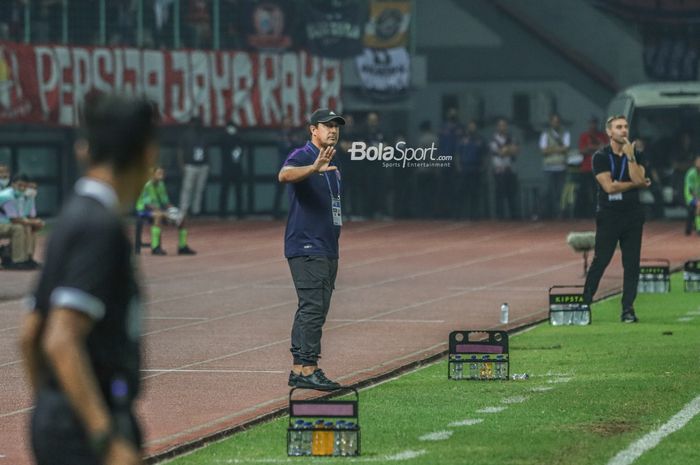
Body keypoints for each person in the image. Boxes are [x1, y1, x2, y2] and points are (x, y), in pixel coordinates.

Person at [18, 92, 157, 465]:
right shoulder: (101, 227)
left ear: (84, 149)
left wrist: (50, 409)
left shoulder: (70, 217)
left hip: (63, 423)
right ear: (147, 154)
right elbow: (60, 339)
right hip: (91, 429)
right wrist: (104, 439)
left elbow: (31, 334)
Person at [278, 108, 345, 391]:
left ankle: (300, 369)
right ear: (313, 130)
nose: (333, 130)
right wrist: (312, 168)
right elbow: (284, 175)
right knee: (313, 308)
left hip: (326, 246)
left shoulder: (330, 165)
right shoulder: (305, 155)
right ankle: (308, 369)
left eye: (336, 126)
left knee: (314, 308)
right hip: (307, 245)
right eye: (327, 125)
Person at [582, 115, 652, 323]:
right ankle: (584, 303)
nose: (623, 130)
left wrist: (630, 158)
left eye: (626, 127)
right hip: (609, 215)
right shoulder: (600, 157)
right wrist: (634, 183)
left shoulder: (637, 155)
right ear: (609, 132)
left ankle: (628, 309)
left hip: (632, 215)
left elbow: (640, 179)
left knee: (631, 264)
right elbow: (610, 187)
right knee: (601, 260)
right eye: (618, 127)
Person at [136, 166, 196, 256]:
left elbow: (166, 202)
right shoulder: (147, 185)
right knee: (158, 215)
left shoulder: (161, 184)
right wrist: (165, 214)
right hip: (143, 210)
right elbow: (148, 205)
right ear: (152, 175)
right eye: (159, 173)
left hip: (158, 209)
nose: (162, 175)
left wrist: (175, 211)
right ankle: (155, 247)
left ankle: (182, 247)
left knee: (182, 217)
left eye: (162, 173)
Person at [0, 174, 40, 269]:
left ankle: (28, 259)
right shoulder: (7, 196)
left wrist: (34, 224)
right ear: (13, 184)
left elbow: (24, 216)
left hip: (6, 223)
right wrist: (33, 222)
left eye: (25, 186)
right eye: (19, 185)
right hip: (4, 223)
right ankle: (18, 261)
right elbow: (14, 219)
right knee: (18, 228)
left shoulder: (20, 195)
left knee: (30, 228)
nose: (22, 188)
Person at [576, 116, 608, 218]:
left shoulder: (602, 136)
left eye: (594, 123)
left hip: (599, 168)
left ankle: (597, 211)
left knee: (597, 191)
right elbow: (582, 150)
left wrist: (592, 148)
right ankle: (584, 213)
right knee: (584, 191)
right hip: (586, 168)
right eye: (591, 123)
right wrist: (596, 148)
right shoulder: (584, 136)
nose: (593, 125)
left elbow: (606, 149)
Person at [539, 113, 570, 219]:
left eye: (557, 121)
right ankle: (545, 213)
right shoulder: (545, 134)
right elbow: (543, 151)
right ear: (550, 122)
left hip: (561, 167)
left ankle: (560, 213)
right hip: (548, 167)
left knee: (560, 192)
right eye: (554, 121)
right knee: (546, 191)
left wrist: (551, 149)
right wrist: (558, 149)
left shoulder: (565, 134)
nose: (556, 123)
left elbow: (566, 149)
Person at [455, 119, 487, 220]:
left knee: (475, 193)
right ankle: (460, 215)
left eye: (473, 126)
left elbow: (485, 155)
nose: (471, 127)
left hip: (476, 168)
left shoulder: (480, 139)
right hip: (464, 168)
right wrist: (458, 166)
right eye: (470, 126)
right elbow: (457, 153)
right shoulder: (462, 139)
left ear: (476, 127)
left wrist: (484, 166)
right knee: (461, 192)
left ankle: (474, 215)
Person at [489, 118, 520, 220]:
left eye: (504, 125)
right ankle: (500, 217)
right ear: (497, 127)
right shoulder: (493, 139)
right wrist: (508, 149)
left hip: (509, 169)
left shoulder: (511, 138)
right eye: (500, 125)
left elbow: (515, 151)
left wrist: (505, 149)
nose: (503, 127)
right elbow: (500, 153)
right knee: (500, 195)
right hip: (499, 170)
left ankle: (514, 217)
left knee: (512, 195)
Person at [178, 117, 209, 216]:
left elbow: (207, 151)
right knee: (187, 188)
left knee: (199, 189)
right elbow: (180, 150)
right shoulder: (186, 135)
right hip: (190, 165)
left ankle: (196, 211)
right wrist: (182, 164)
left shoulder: (204, 135)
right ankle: (184, 210)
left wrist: (208, 164)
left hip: (202, 165)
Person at [219, 122, 245, 219]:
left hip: (237, 169)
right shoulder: (224, 139)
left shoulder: (239, 139)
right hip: (226, 169)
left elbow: (242, 145)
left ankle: (240, 213)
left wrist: (235, 135)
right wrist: (228, 134)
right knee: (224, 191)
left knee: (238, 192)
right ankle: (222, 213)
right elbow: (222, 142)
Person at [684, 154, 700, 235]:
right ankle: (698, 227)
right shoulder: (691, 173)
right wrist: (697, 200)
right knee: (698, 205)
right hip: (690, 197)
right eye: (698, 161)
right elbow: (690, 190)